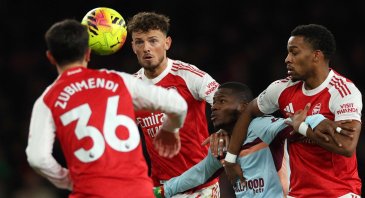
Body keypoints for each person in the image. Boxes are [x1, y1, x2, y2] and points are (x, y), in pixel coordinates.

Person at [25, 19, 188, 198]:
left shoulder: (47, 100)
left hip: (91, 192)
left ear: (50, 57)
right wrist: (169, 129)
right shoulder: (120, 81)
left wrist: (68, 180)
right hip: (138, 192)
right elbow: (177, 104)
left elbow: (37, 158)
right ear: (88, 53)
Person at [223, 24, 363, 197]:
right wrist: (230, 159)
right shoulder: (282, 89)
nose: (287, 59)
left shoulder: (343, 91)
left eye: (294, 52)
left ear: (316, 56)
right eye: (288, 52)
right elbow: (249, 111)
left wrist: (302, 128)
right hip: (298, 193)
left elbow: (347, 145)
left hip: (339, 192)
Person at [153, 82, 340, 198]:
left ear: (243, 107)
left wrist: (318, 120)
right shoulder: (223, 145)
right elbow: (200, 173)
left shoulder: (260, 127)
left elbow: (291, 123)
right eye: (214, 102)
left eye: (222, 101)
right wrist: (162, 191)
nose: (214, 107)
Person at [127, 12, 220, 197]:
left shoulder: (188, 75)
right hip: (160, 187)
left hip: (200, 186)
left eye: (153, 41)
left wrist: (224, 129)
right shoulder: (131, 87)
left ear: (167, 43)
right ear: (132, 46)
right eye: (139, 42)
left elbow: (227, 101)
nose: (146, 48)